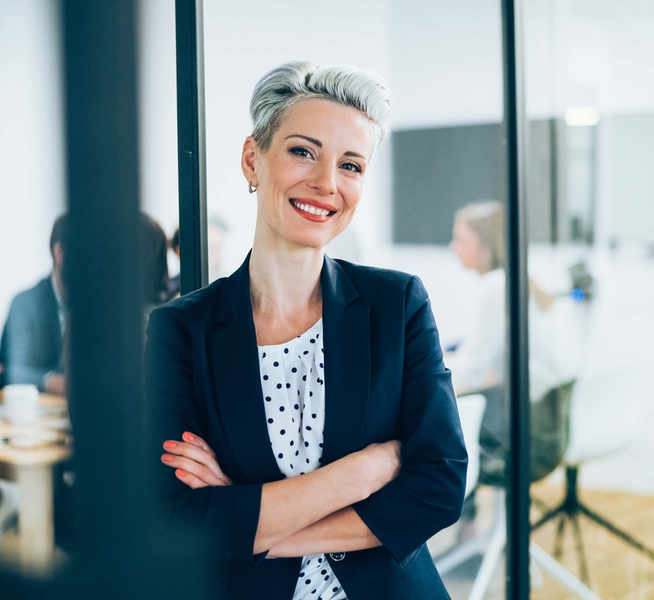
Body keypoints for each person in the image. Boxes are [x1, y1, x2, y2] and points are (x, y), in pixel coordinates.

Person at [145, 61, 467, 600]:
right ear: (253, 159)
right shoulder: (182, 329)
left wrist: (256, 525)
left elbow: (438, 486)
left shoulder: (397, 305)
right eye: (303, 151)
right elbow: (176, 516)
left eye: (351, 165)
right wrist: (362, 473)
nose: (326, 183)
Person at [445, 200, 564, 398]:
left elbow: (472, 372)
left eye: (462, 240)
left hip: (534, 410)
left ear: (485, 246)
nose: (453, 247)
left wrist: (429, 363)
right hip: (544, 399)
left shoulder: (496, 286)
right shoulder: (508, 281)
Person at [0, 215, 68, 395]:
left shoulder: (98, 306)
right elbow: (14, 374)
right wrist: (53, 381)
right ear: (59, 252)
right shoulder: (26, 302)